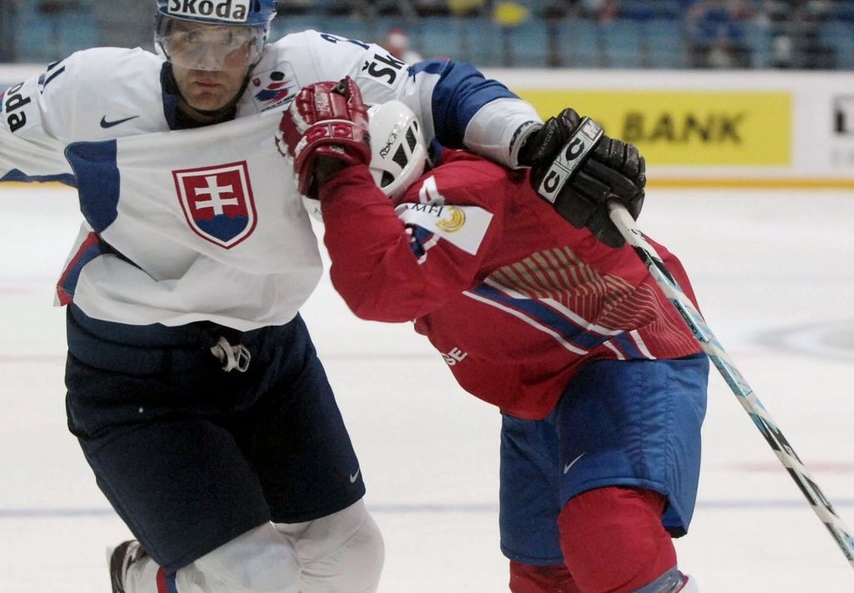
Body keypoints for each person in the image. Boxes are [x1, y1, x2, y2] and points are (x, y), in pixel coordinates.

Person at [0, 0, 646, 593]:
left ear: (263, 38)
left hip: (272, 359)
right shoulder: (93, 92)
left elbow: (442, 86)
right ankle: (156, 574)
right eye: (187, 40)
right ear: (162, 33)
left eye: (230, 42)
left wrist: (529, 137)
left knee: (350, 563)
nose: (208, 63)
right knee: (255, 579)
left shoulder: (313, 71)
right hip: (136, 379)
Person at [276, 78, 708, 593]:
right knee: (545, 571)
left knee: (608, 534)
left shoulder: (461, 190)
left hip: (622, 350)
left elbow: (383, 288)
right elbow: (435, 75)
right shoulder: (433, 189)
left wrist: (338, 167)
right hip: (536, 386)